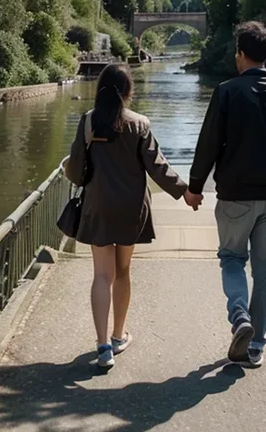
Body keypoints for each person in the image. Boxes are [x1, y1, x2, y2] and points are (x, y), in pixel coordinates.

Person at [186, 22, 266, 368]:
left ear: (240, 53)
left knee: (232, 258)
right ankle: (256, 347)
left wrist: (195, 188)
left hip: (235, 196)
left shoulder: (226, 92)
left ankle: (240, 317)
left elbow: (208, 144)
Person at [67, 64, 202, 370]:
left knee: (101, 275)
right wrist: (185, 193)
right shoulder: (139, 124)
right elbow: (158, 166)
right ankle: (118, 335)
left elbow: (76, 171)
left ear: (100, 89)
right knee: (123, 271)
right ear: (128, 92)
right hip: (130, 210)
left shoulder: (88, 122)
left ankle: (103, 347)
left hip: (98, 207)